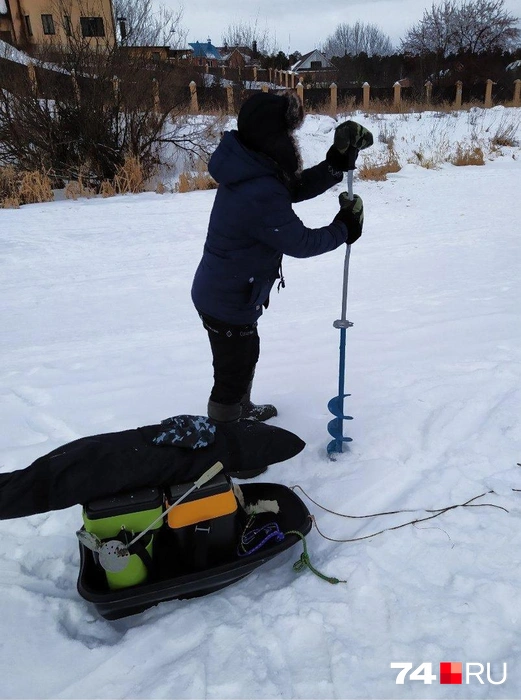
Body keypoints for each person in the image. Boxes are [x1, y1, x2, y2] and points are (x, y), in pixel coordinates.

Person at [191, 90, 365, 423]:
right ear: (273, 137)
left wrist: (334, 166)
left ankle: (241, 411)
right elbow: (299, 242)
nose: (291, 141)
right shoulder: (259, 190)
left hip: (228, 291)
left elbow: (292, 188)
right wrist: (343, 228)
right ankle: (228, 443)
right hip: (227, 300)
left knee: (245, 355)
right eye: (286, 133)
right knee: (232, 372)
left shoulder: (251, 167)